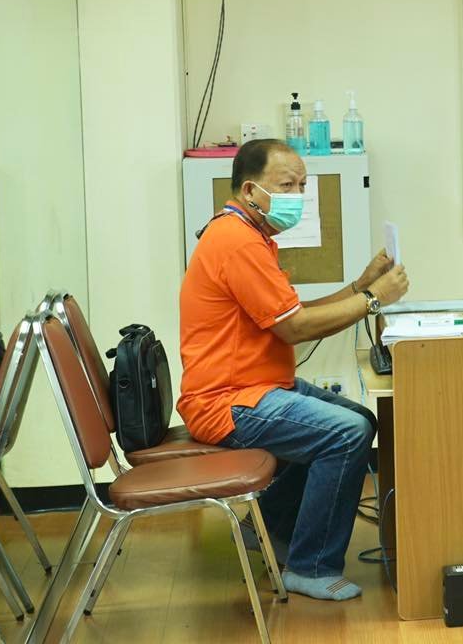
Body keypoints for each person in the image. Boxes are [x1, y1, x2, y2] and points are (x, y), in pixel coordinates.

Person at [177, 139, 409, 601]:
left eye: (302, 185)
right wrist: (373, 300)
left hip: (254, 387)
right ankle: (310, 566)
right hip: (227, 402)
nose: (297, 196)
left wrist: (360, 286)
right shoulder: (237, 243)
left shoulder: (248, 235)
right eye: (286, 185)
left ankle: (271, 528)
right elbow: (296, 328)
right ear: (250, 190)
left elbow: (292, 313)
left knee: (361, 419)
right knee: (345, 434)